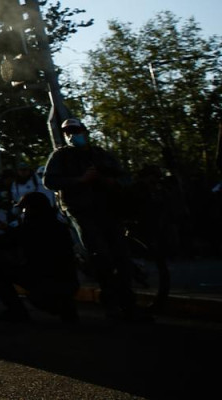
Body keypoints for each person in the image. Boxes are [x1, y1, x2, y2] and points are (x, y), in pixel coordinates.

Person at [43, 118, 150, 323]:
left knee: (122, 257)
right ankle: (111, 304)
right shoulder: (61, 156)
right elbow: (49, 181)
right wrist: (79, 181)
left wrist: (111, 181)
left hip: (109, 210)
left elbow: (125, 178)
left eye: (76, 130)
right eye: (68, 132)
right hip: (81, 211)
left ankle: (128, 304)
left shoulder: (100, 154)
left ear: (84, 131)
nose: (73, 134)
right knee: (101, 256)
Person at [0, 191, 80, 323]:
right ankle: (67, 309)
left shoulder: (30, 227)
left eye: (25, 209)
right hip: (69, 284)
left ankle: (17, 312)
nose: (23, 213)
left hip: (42, 284)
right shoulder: (60, 227)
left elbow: (3, 243)